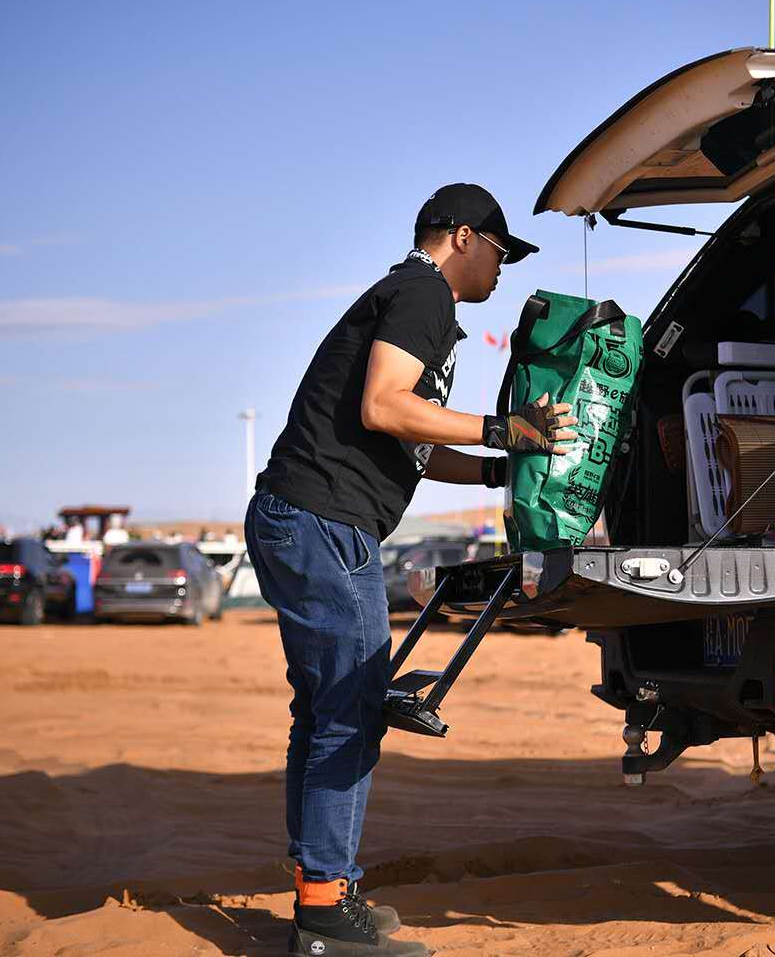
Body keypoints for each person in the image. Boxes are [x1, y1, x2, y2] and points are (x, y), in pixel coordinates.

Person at [245, 183, 576, 957]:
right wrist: (508, 427)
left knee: (327, 712)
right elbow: (385, 408)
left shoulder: (413, 299)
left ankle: (323, 892)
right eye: (500, 252)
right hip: (326, 522)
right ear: (462, 237)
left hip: (304, 518)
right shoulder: (422, 294)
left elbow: (415, 448)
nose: (503, 270)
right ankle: (328, 916)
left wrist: (503, 467)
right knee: (351, 714)